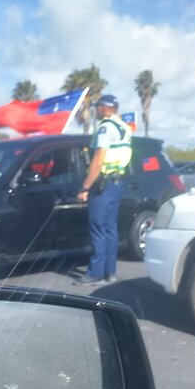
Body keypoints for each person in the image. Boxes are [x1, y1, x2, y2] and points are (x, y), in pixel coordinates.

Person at [74, 94, 133, 286]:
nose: (95, 110)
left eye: (97, 106)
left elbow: (98, 161)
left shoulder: (105, 128)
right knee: (110, 229)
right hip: (117, 183)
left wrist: (85, 187)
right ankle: (110, 272)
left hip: (103, 184)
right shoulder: (123, 126)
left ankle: (95, 274)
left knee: (98, 228)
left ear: (105, 108)